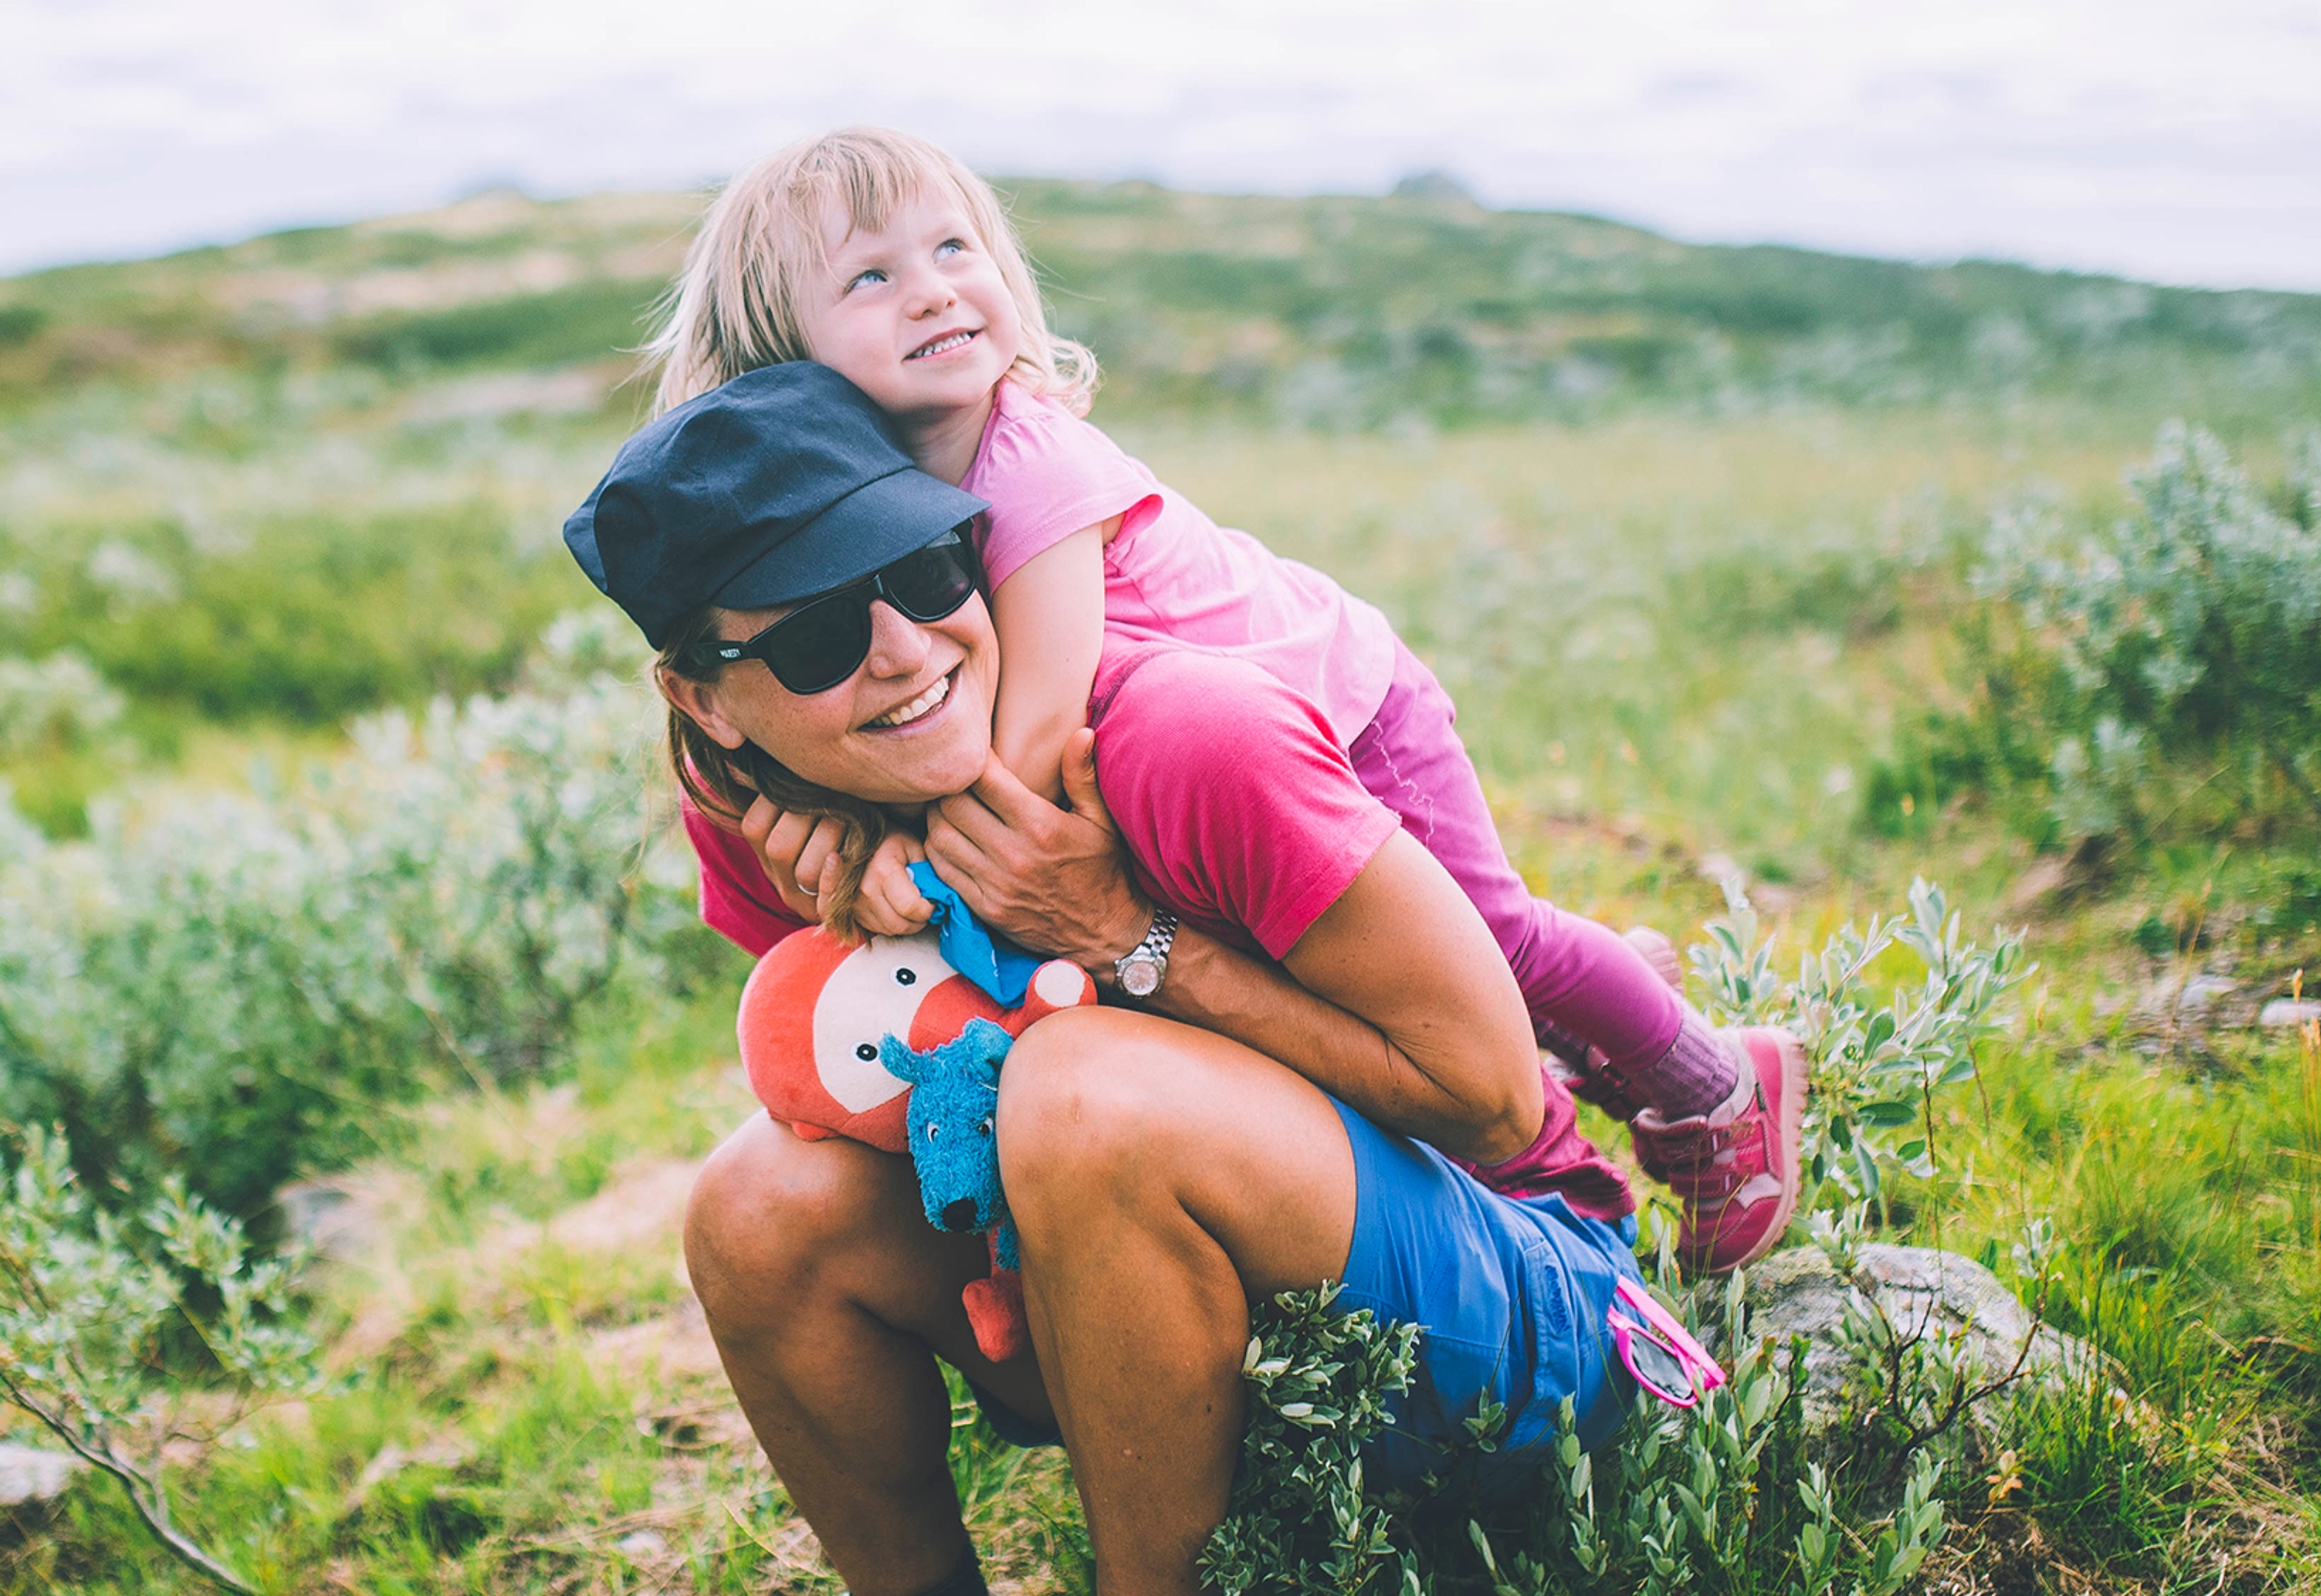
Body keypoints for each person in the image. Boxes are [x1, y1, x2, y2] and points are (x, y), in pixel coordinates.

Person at [564, 364, 1723, 1596]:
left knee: (1081, 1094)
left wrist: (1129, 939)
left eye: (921, 570)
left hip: (1524, 1302)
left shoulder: (1183, 738)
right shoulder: (776, 820)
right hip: (1133, 1329)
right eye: (814, 638)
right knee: (754, 1204)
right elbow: (906, 1116)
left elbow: (1492, 1098)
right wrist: (856, 933)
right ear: (707, 699)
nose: (906, 652)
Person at [641, 125, 1803, 1271]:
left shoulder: (1025, 461)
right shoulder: (868, 504)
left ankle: (1716, 1083)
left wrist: (887, 854)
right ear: (778, 359)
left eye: (956, 250)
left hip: (1339, 707)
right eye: (872, 277)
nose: (935, 293)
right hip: (1213, 763)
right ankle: (1602, 1012)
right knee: (1354, 959)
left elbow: (1030, 747)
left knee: (1495, 947)